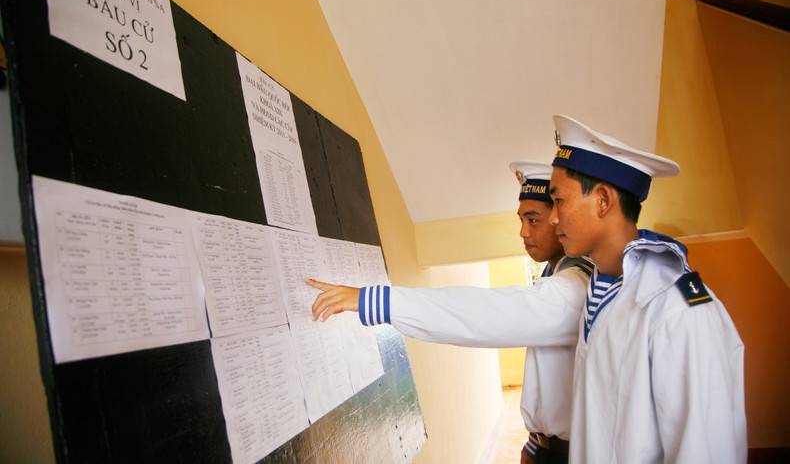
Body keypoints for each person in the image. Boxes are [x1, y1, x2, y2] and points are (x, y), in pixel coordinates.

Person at [307, 160, 593, 464]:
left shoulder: (576, 285)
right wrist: (536, 444)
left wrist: (376, 302)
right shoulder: (555, 273)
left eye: (533, 220)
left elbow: (485, 313)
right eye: (521, 219)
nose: (522, 232)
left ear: (558, 219)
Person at [547, 114, 746, 463]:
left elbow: (704, 450)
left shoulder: (678, 309)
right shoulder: (604, 289)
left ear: (603, 200)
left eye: (559, 200)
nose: (552, 218)